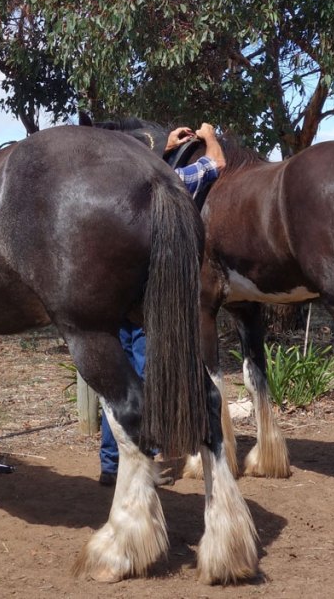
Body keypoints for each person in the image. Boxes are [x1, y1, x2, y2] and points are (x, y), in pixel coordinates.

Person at [99, 122, 226, 487]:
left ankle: (111, 463)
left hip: (109, 301)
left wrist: (164, 149)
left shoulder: (108, 190)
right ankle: (144, 458)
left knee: (112, 378)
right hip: (145, 301)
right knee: (142, 374)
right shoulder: (167, 184)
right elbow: (215, 164)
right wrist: (210, 136)